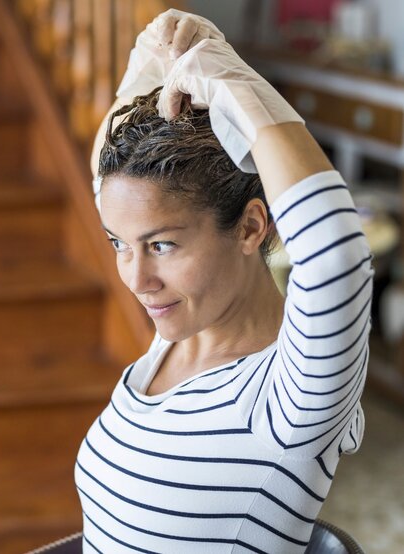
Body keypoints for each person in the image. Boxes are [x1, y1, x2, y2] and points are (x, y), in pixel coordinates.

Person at [75, 10, 372, 553]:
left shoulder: (290, 397)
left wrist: (236, 82)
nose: (137, 279)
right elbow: (113, 185)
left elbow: (334, 255)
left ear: (251, 227)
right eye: (120, 245)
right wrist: (150, 58)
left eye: (161, 245)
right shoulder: (177, 335)